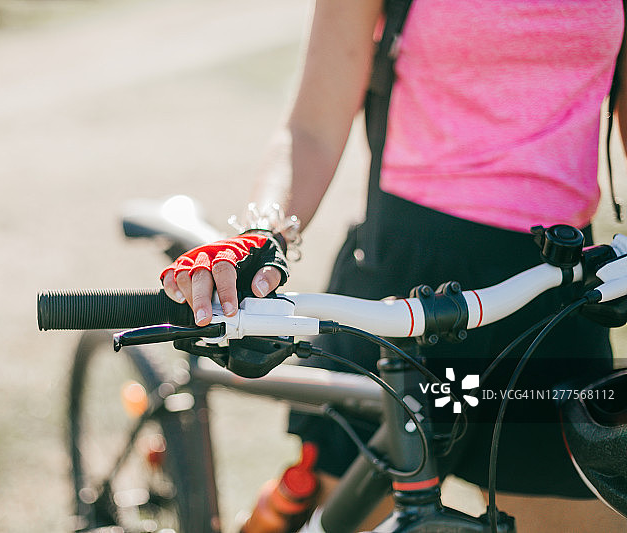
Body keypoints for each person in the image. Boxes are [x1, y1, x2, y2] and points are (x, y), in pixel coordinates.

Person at [161, 1, 627, 531]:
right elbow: (312, 125)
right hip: (403, 292)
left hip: (553, 297)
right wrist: (262, 235)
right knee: (335, 516)